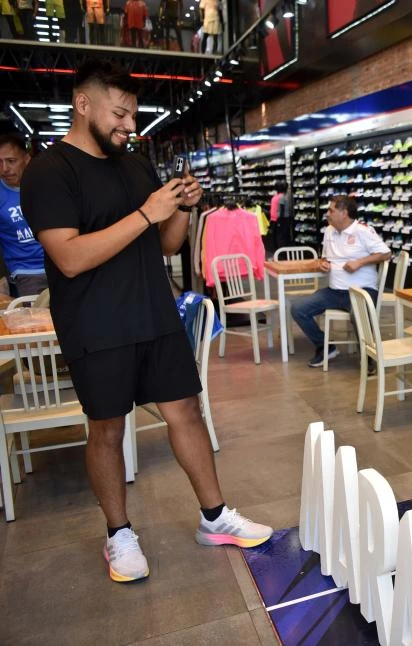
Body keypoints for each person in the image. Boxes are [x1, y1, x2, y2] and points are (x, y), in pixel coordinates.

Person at [20, 60, 271, 584]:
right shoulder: (50, 171)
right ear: (83, 104)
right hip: (95, 326)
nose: (129, 126)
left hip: (154, 314)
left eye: (133, 115)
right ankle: (119, 534)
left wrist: (181, 209)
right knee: (107, 429)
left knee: (188, 411)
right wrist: (146, 213)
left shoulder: (134, 166)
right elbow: (67, 257)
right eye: (120, 113)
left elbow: (165, 243)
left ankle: (215, 516)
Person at [291, 195, 390, 369]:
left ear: (344, 213)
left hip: (362, 291)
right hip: (334, 291)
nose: (327, 213)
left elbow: (385, 254)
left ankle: (368, 357)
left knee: (359, 315)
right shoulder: (329, 230)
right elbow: (325, 257)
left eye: (331, 210)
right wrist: (323, 263)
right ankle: (326, 347)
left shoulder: (363, 231)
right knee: (298, 308)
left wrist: (360, 262)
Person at [0, 133, 48, 297]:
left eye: (11, 161)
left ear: (26, 159)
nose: (4, 169)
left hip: (59, 265)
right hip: (26, 273)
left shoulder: (45, 185)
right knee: (35, 321)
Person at [270, 180, 291, 252]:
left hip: (278, 219)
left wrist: (279, 220)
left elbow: (281, 210)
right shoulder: (281, 197)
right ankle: (278, 253)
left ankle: (280, 254)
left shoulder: (281, 197)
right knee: (277, 237)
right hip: (276, 219)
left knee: (279, 238)